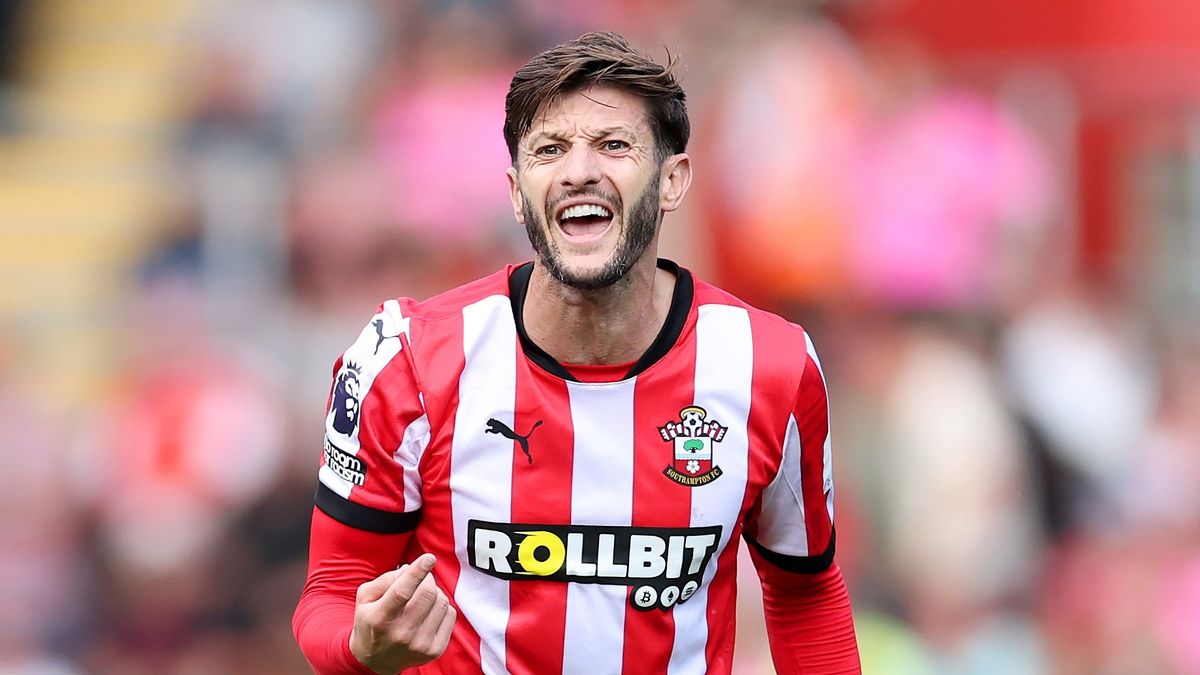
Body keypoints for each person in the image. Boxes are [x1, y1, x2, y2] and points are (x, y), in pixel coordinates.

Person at [293, 31, 860, 674]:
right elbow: (332, 595)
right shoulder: (406, 363)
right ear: (516, 191)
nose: (579, 170)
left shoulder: (772, 367)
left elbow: (806, 591)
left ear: (672, 181)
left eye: (614, 146)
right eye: (550, 149)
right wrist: (361, 648)